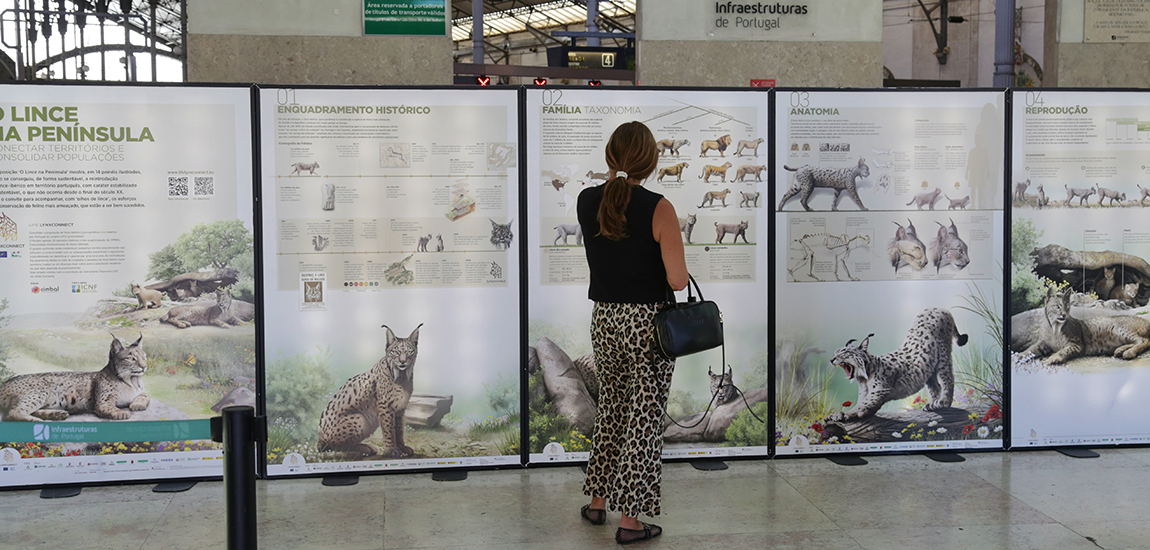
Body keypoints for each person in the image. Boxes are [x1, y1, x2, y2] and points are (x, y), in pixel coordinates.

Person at [575, 121, 689, 545]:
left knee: (613, 410)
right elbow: (678, 281)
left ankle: (597, 503)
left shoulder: (587, 201)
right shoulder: (660, 208)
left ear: (610, 155)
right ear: (651, 161)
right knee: (643, 418)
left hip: (604, 319)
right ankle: (631, 522)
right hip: (646, 325)